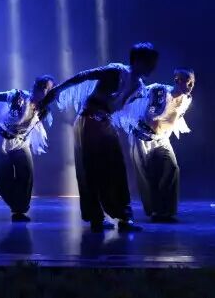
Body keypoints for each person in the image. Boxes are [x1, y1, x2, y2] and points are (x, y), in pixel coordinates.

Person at [39, 43, 159, 232]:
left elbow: (125, 110)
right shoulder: (116, 71)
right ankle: (96, 218)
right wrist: (57, 90)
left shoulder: (138, 86)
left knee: (117, 169)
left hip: (105, 122)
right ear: (138, 61)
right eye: (149, 62)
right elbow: (84, 76)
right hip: (89, 120)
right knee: (91, 170)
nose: (152, 67)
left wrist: (139, 129)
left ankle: (124, 217)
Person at [114, 69, 195, 223]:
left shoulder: (187, 99)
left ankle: (167, 211)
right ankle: (154, 211)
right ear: (177, 80)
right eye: (187, 82)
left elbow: (175, 118)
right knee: (145, 174)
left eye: (192, 83)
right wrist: (156, 112)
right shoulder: (159, 92)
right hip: (141, 137)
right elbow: (149, 113)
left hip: (162, 139)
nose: (190, 87)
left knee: (172, 168)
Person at [0, 75, 55, 222]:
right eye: (41, 86)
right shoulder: (18, 96)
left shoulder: (42, 108)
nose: (42, 90)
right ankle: (17, 208)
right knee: (3, 176)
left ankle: (20, 209)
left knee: (27, 174)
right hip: (2, 140)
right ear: (35, 86)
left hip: (20, 142)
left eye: (46, 89)